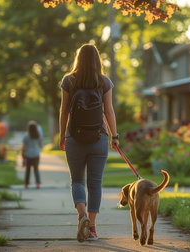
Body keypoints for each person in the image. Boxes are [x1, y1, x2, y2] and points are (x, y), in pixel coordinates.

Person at [59, 44, 119, 242]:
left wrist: (62, 136)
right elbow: (109, 111)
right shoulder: (104, 82)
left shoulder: (69, 81)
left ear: (78, 59)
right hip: (99, 137)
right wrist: (115, 136)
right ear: (97, 60)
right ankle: (92, 228)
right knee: (95, 184)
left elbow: (64, 111)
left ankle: (82, 215)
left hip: (74, 137)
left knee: (77, 180)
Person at [21, 120, 42, 189]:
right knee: (36, 169)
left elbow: (23, 147)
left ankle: (26, 184)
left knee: (28, 170)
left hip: (28, 155)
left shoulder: (26, 136)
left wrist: (22, 154)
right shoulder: (38, 135)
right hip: (36, 154)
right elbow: (41, 145)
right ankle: (38, 183)